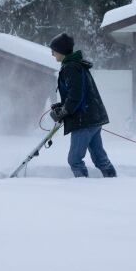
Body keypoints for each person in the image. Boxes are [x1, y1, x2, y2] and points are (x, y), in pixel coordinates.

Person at [48, 33, 117, 178]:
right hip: (92, 118)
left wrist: (64, 111)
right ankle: (113, 181)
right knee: (99, 158)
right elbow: (78, 94)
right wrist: (62, 105)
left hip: (84, 120)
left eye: (53, 50)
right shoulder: (76, 66)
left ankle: (82, 188)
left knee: (74, 160)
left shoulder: (71, 67)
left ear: (60, 50)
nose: (52, 54)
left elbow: (76, 96)